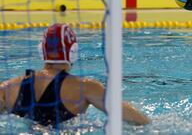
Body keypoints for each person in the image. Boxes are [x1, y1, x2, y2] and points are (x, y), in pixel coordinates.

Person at [0, 23, 150, 128]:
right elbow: (138, 120)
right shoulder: (85, 87)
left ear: (42, 51)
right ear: (73, 51)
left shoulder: (8, 88)